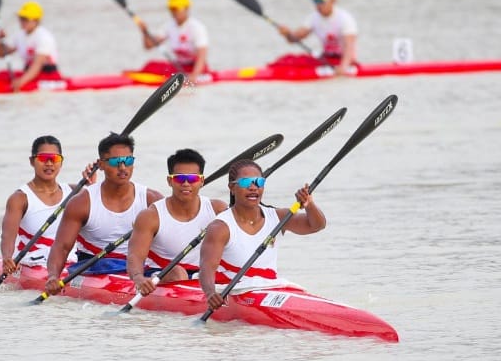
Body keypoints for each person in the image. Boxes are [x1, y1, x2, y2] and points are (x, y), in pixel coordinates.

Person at [199, 159, 327, 311]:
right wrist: (210, 294)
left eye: (259, 182)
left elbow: (317, 226)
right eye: (246, 183)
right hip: (235, 291)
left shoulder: (278, 217)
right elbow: (206, 267)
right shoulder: (220, 227)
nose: (254, 188)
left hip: (272, 288)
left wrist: (309, 205)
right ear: (232, 188)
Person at [44, 133, 163, 294]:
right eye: (115, 162)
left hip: (140, 269)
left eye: (128, 161)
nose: (122, 168)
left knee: (178, 273)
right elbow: (62, 247)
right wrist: (52, 276)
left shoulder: (152, 199)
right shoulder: (82, 202)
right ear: (101, 165)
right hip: (96, 267)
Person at [127, 149, 228, 296]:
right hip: (164, 274)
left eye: (192, 179)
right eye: (180, 179)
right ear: (170, 181)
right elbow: (135, 255)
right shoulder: (151, 216)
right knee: (178, 272)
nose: (186, 184)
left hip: (203, 275)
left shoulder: (218, 210)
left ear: (201, 181)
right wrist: (138, 278)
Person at [0, 135, 96, 275]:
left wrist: (95, 184)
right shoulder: (20, 198)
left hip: (73, 263)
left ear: (61, 162)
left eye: (55, 158)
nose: (49, 163)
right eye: (43, 158)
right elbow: (7, 236)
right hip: (35, 264)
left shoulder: (77, 193)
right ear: (32, 161)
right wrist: (7, 258)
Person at [277, 0, 358, 75]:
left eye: (321, 1)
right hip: (327, 60)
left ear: (333, 1)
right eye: (315, 0)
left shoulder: (345, 18)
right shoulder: (314, 18)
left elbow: (349, 46)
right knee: (288, 59)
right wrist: (287, 34)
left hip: (346, 61)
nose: (318, 5)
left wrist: (344, 67)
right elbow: (294, 39)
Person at [136, 0, 209, 85]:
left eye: (176, 8)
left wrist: (194, 76)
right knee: (150, 65)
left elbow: (202, 57)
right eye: (171, 8)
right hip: (178, 66)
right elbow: (149, 46)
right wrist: (144, 32)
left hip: (196, 67)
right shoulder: (169, 26)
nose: (173, 12)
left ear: (186, 8)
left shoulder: (197, 27)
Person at [0, 1, 61, 92]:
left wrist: (21, 82)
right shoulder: (20, 35)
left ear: (36, 20)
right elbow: (2, 54)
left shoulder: (44, 37)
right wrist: (0, 40)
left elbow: (37, 65)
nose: (22, 22)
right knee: (1, 75)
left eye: (26, 19)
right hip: (29, 73)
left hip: (47, 75)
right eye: (21, 18)